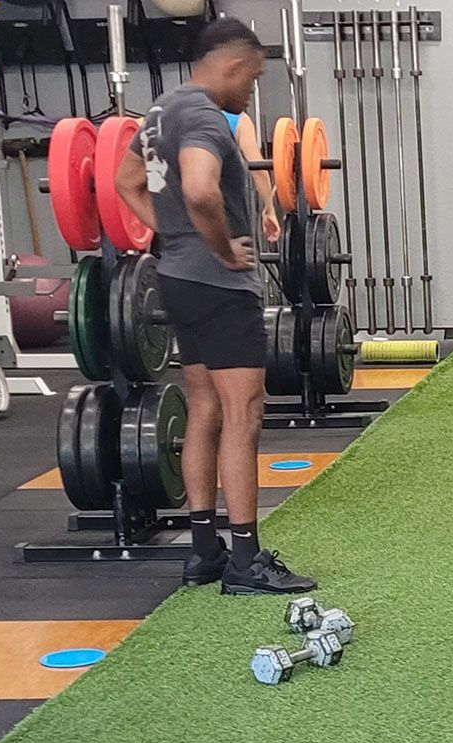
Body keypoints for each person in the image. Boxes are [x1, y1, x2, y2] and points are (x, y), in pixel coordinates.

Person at [116, 18, 315, 595]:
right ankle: (246, 561)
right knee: (243, 415)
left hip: (178, 279)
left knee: (204, 409)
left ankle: (204, 552)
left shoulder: (160, 111)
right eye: (251, 79)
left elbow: (127, 181)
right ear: (231, 66)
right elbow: (201, 188)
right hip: (219, 287)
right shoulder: (204, 114)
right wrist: (221, 245)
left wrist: (173, 236)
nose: (250, 90)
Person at [223, 109, 281, 244]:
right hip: (228, 216)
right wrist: (269, 209)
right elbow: (258, 170)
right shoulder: (239, 119)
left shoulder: (185, 114)